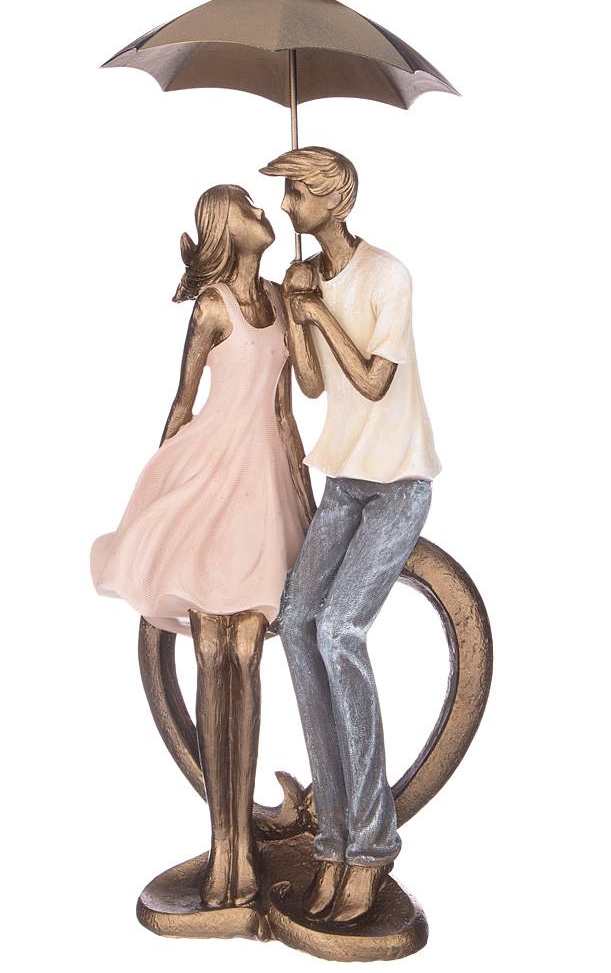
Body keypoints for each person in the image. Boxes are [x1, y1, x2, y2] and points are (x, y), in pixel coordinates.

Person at [90, 184, 313, 908]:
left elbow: (286, 412)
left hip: (262, 490)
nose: (262, 212)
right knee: (213, 653)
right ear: (225, 228)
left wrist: (307, 505)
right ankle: (227, 851)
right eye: (247, 206)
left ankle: (242, 847)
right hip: (212, 480)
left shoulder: (280, 299)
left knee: (246, 652)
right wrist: (154, 496)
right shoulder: (213, 306)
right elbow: (184, 403)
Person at [259, 147, 441, 924]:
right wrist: (300, 307)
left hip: (397, 483)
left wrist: (320, 312)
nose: (287, 207)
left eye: (297, 194)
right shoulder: (310, 278)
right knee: (297, 622)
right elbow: (311, 382)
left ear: (335, 200)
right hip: (342, 483)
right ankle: (330, 837)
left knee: (339, 630)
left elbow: (371, 379)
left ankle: (370, 845)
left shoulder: (388, 275)